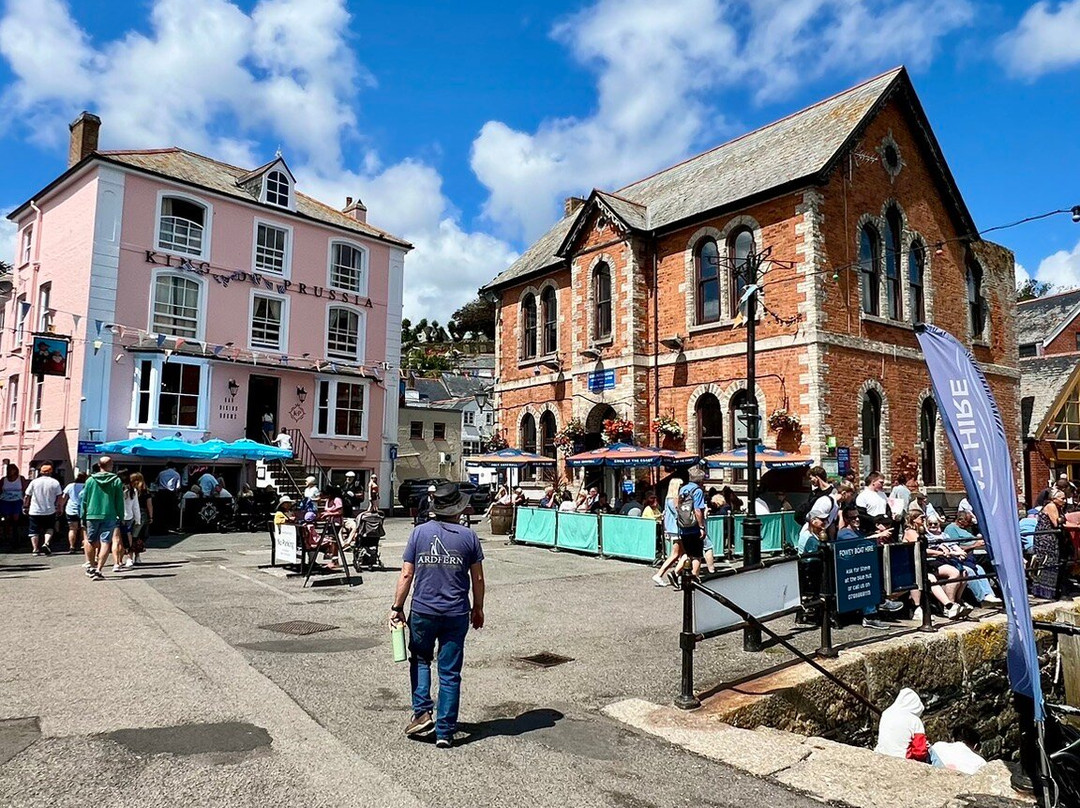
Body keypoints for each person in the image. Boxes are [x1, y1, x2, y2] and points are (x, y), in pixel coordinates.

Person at [390, 482, 485, 748]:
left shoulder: (419, 533)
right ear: (458, 508)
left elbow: (407, 574)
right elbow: (477, 577)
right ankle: (445, 731)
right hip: (455, 612)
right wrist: (478, 608)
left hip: (423, 609)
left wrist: (397, 607)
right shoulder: (469, 537)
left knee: (420, 660)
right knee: (450, 672)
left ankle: (422, 713)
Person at [904, 506, 970, 621]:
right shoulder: (910, 532)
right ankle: (946, 606)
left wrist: (942, 549)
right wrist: (939, 553)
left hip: (923, 564)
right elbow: (922, 549)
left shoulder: (919, 531)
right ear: (914, 519)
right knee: (930, 578)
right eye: (921, 518)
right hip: (912, 565)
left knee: (955, 572)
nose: (924, 520)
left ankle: (951, 605)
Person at [942, 511, 1001, 606]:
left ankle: (989, 594)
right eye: (968, 522)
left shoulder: (966, 529)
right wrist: (975, 545)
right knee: (970, 571)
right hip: (959, 558)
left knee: (980, 569)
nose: (970, 524)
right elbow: (954, 546)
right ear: (961, 521)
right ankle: (981, 597)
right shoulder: (951, 529)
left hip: (971, 557)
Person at [81, 456, 125, 580]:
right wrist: (121, 515)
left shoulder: (90, 480)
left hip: (92, 514)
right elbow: (119, 500)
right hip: (109, 514)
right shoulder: (116, 480)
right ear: (110, 465)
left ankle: (90, 566)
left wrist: (83, 514)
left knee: (90, 540)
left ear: (99, 465)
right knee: (105, 541)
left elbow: (85, 499)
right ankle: (99, 570)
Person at [875, 688, 931, 763]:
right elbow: (919, 752)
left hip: (880, 754)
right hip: (902, 759)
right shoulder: (914, 720)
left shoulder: (886, 714)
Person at [1032, 487, 1067, 600]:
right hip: (1046, 538)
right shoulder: (1051, 506)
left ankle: (1049, 590)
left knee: (1049, 562)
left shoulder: (1057, 507)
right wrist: (1063, 519)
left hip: (1049, 537)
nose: (1064, 501)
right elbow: (1056, 523)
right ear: (1054, 498)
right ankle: (1045, 591)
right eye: (1062, 498)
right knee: (1048, 561)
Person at [652, 477, 685, 587]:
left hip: (673, 529)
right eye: (680, 486)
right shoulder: (673, 500)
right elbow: (678, 514)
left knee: (680, 554)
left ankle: (679, 574)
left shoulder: (668, 499)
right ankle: (662, 574)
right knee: (677, 554)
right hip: (677, 529)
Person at [24, 464, 62, 556]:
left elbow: (27, 495)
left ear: (41, 472)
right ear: (51, 471)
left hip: (34, 510)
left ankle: (35, 549)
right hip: (50, 510)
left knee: (34, 530)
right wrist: (59, 507)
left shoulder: (34, 482)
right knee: (49, 528)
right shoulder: (55, 482)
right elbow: (59, 497)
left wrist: (25, 506)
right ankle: (46, 543)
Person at [0, 463, 26, 545]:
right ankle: (6, 534)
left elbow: (25, 489)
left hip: (17, 500)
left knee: (16, 517)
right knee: (6, 517)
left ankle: (15, 532)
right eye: (9, 469)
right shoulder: (4, 479)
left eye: (12, 469)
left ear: (15, 470)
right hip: (5, 500)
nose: (10, 471)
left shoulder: (20, 478)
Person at [61, 471, 87, 553]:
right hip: (84, 510)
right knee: (84, 528)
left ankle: (72, 547)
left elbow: (64, 497)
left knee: (72, 529)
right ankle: (83, 545)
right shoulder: (87, 486)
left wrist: (60, 507)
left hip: (71, 509)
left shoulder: (70, 486)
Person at [130, 472, 152, 564]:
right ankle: (137, 556)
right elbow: (149, 505)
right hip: (143, 513)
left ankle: (129, 557)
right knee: (140, 536)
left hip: (130, 513)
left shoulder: (129, 490)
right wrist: (151, 516)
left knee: (130, 535)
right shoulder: (146, 491)